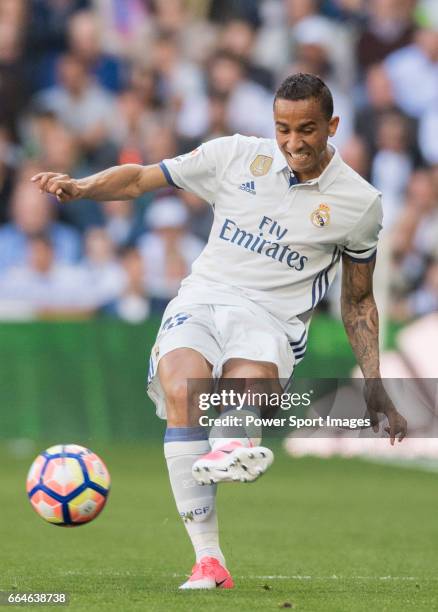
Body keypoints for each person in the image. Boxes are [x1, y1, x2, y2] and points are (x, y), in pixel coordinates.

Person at [31, 73, 407, 591]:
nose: (293, 143)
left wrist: (374, 381)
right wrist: (82, 186)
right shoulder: (235, 155)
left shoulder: (359, 203)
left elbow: (359, 300)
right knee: (182, 384)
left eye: (307, 130)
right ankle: (209, 560)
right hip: (204, 296)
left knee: (245, 387)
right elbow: (142, 177)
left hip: (272, 318)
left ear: (332, 126)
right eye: (282, 129)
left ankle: (234, 438)